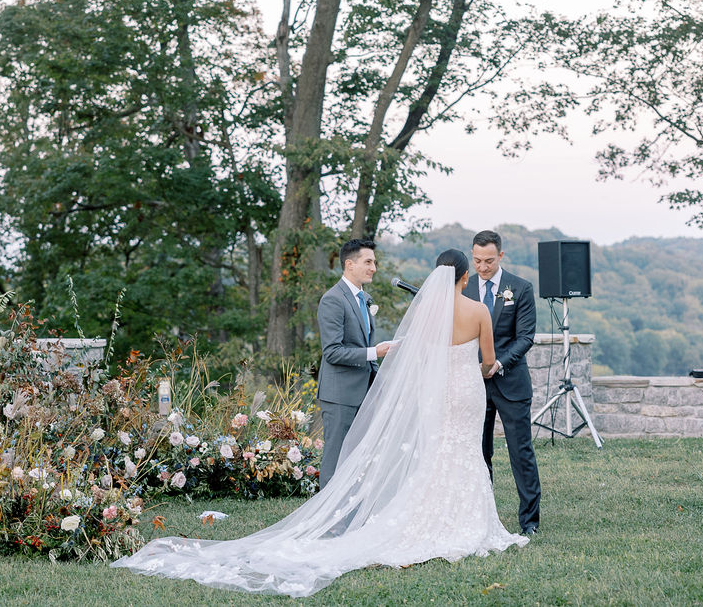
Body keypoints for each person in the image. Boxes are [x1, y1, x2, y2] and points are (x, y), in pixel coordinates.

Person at [111, 250, 528, 598]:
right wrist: (484, 369)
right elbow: (488, 360)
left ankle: (429, 518)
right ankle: (464, 521)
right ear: (466, 274)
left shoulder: (427, 315)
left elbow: (418, 358)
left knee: (439, 450)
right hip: (468, 388)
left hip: (439, 391)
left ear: (436, 275)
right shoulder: (478, 310)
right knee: (465, 450)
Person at [463, 230, 541, 535]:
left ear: (501, 256)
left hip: (511, 382)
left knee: (520, 451)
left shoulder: (520, 288)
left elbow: (525, 337)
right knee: (478, 452)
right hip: (473, 383)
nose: (482, 267)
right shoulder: (464, 288)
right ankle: (482, 517)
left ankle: (529, 521)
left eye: (489, 261)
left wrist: (498, 363)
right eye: (477, 260)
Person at [315, 238, 392, 486]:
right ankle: (328, 523)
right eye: (368, 262)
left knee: (359, 458)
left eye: (374, 262)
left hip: (364, 392)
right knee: (336, 458)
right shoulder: (333, 299)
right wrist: (374, 352)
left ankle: (350, 516)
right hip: (340, 395)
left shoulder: (363, 298)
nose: (374, 268)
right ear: (350, 264)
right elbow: (333, 352)